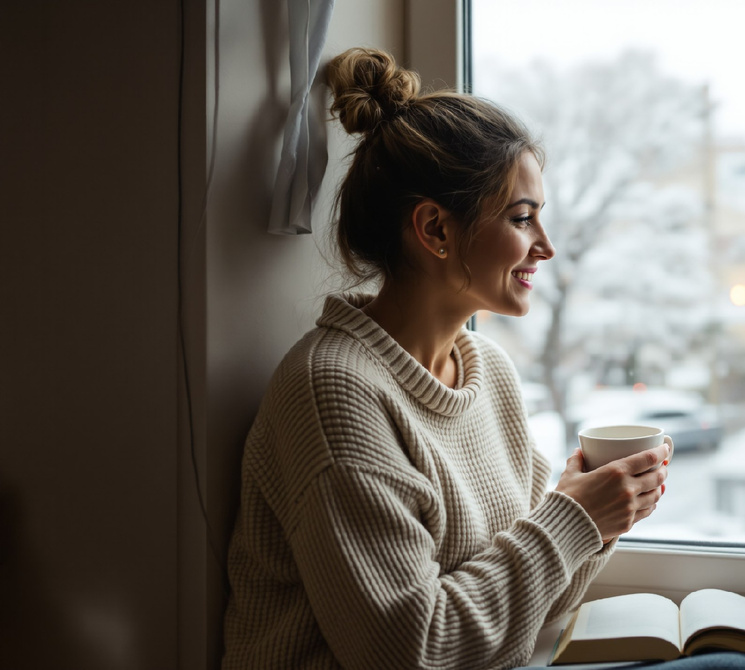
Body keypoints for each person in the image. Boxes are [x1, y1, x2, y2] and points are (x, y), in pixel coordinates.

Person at [221, 47, 670, 669]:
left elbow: (536, 603)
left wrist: (602, 514)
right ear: (434, 230)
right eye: (522, 218)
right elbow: (412, 653)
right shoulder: (334, 393)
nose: (547, 247)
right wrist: (571, 518)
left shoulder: (491, 376)